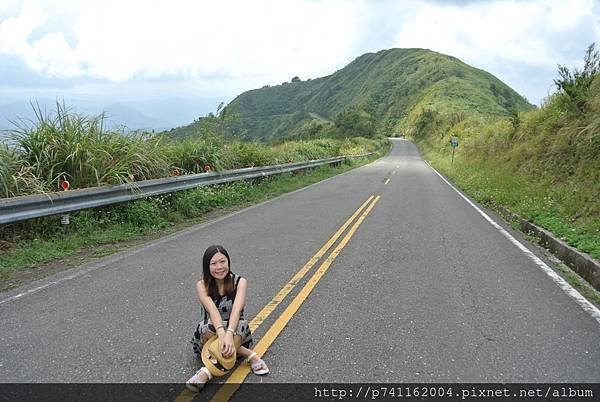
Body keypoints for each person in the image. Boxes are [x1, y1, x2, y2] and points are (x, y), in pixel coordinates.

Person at [186, 245, 269, 392]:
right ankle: (249, 355)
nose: (219, 267)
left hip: (235, 329)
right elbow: (212, 310)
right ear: (207, 266)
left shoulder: (240, 282)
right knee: (205, 326)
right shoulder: (202, 285)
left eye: (223, 262)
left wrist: (229, 333)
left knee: (241, 324)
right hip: (212, 332)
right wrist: (222, 334)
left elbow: (237, 310)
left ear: (228, 262)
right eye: (214, 263)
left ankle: (207, 371)